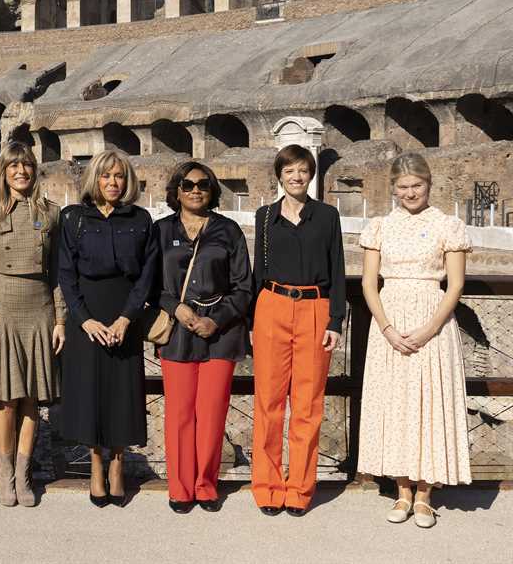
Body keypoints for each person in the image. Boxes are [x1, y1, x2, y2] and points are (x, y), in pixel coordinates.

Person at [357, 153, 470, 529]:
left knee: (428, 401)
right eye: (403, 187)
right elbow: (368, 284)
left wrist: (428, 329)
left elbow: (454, 285)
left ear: (429, 184)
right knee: (396, 401)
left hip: (431, 320)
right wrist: (387, 328)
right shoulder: (379, 226)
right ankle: (401, 490)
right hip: (389, 320)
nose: (410, 193)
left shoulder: (447, 225)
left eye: (416, 186)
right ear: (393, 188)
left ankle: (424, 494)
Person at [56, 149, 157, 508]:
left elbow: (147, 275)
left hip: (124, 313)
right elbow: (66, 275)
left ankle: (118, 463)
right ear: (94, 179)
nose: (112, 183)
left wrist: (127, 317)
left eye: (118, 176)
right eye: (105, 176)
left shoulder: (141, 219)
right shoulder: (74, 218)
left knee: (122, 393)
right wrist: (84, 319)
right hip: (88, 315)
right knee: (90, 393)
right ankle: (95, 464)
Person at [0, 142, 66, 508]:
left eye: (26, 165)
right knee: (6, 400)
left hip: (39, 307)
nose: (21, 172)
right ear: (3, 172)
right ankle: (6, 471)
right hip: (2, 308)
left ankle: (24, 472)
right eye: (13, 166)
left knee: (31, 400)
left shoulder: (52, 213)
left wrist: (60, 319)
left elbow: (57, 272)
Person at [250, 145, 345, 517]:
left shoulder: (327, 216)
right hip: (271, 306)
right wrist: (251, 323)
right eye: (289, 170)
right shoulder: (265, 217)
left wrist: (336, 320)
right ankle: (268, 487)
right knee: (269, 402)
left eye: (303, 170)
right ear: (279, 175)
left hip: (314, 309)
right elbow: (259, 271)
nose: (296, 176)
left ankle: (300, 489)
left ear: (311, 174)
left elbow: (337, 268)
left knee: (307, 404)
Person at [155, 161, 251, 513]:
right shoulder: (161, 231)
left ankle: (206, 484)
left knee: (211, 413)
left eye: (203, 184)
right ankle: (180, 486)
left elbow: (244, 287)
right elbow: (150, 284)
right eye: (188, 184)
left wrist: (219, 319)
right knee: (180, 413)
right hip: (178, 330)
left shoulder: (229, 231)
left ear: (212, 190)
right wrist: (175, 307)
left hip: (221, 333)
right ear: (176, 190)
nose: (196, 190)